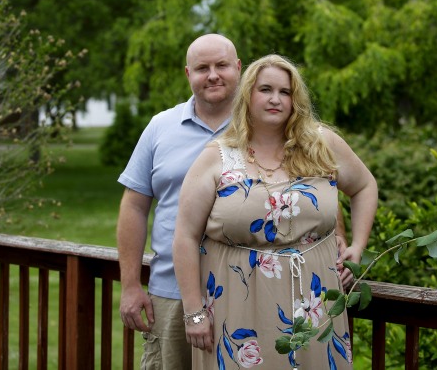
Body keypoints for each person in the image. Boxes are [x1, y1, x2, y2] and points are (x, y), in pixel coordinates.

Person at [116, 37, 349, 370]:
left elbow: (311, 191)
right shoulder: (160, 128)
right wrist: (129, 285)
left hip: (251, 291)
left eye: (221, 66)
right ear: (188, 74)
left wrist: (336, 236)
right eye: (202, 68)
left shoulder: (272, 125)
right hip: (171, 290)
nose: (213, 75)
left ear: (239, 69)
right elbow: (134, 207)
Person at [172, 54, 378, 369]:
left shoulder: (322, 145)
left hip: (315, 302)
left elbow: (364, 186)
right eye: (265, 89)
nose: (275, 99)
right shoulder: (217, 157)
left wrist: (357, 247)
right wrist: (194, 312)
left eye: (285, 92)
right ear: (247, 95)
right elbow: (185, 236)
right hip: (236, 306)